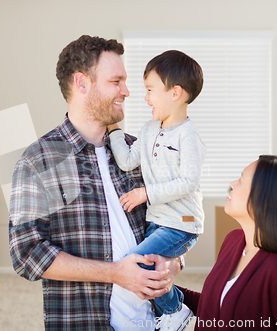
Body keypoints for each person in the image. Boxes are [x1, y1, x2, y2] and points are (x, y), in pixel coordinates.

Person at [9, 35, 183, 331]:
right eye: (116, 81)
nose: (127, 91)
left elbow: (176, 218)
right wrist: (115, 273)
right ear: (81, 83)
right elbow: (26, 253)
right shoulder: (38, 160)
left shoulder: (140, 152)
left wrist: (173, 262)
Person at [107, 50, 205, 330]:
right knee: (151, 269)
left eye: (150, 90)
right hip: (157, 221)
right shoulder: (149, 129)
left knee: (133, 264)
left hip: (182, 224)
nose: (146, 97)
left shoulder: (189, 136)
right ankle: (172, 310)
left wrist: (145, 194)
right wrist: (113, 128)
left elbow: (187, 182)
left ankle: (175, 310)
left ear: (175, 93)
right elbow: (126, 160)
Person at [176, 155, 277, 330]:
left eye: (241, 179)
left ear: (265, 197)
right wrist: (165, 289)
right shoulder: (233, 240)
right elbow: (215, 307)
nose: (232, 184)